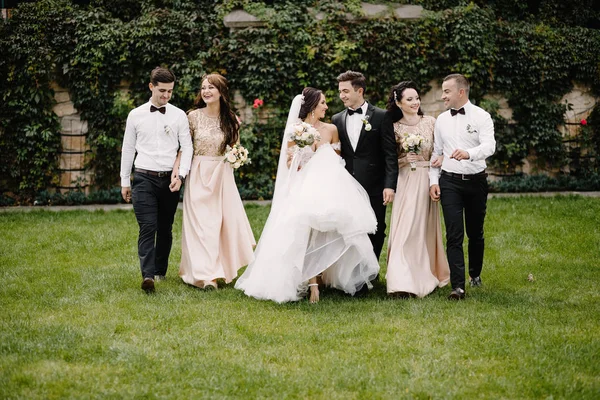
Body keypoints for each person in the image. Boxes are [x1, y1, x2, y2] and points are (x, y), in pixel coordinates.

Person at [235, 87, 380, 303]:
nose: (326, 106)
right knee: (305, 232)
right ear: (312, 106)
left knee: (331, 231)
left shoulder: (331, 129)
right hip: (304, 187)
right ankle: (312, 284)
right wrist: (304, 153)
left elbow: (338, 159)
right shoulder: (296, 130)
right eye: (322, 103)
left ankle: (327, 277)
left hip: (330, 187)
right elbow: (289, 163)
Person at [176, 73, 255, 290]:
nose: (206, 91)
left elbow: (236, 147)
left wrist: (236, 157)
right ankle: (204, 276)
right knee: (201, 226)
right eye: (203, 88)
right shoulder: (192, 117)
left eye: (211, 87)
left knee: (219, 225)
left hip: (222, 175)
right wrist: (177, 173)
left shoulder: (230, 119)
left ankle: (216, 270)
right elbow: (184, 148)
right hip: (198, 173)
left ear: (221, 92)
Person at [120, 67, 193, 293]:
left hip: (169, 181)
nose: (166, 96)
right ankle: (148, 276)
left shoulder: (179, 115)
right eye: (162, 91)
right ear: (151, 87)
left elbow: (187, 148)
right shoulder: (135, 115)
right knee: (147, 227)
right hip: (143, 177)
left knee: (165, 228)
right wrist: (125, 180)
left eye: (170, 91)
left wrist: (181, 176)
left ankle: (160, 271)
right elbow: (128, 148)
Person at [429, 74, 496, 300]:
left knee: (475, 232)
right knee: (454, 234)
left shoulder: (482, 116)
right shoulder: (441, 120)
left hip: (476, 181)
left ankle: (474, 274)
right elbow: (436, 153)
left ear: (461, 92)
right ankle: (458, 287)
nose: (442, 95)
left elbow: (490, 146)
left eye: (446, 91)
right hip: (450, 183)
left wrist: (469, 153)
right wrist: (433, 181)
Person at [385, 81, 450, 298]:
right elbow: (389, 158)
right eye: (409, 99)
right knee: (405, 229)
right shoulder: (394, 127)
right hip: (405, 181)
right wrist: (404, 158)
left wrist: (437, 168)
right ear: (398, 102)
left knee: (423, 229)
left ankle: (424, 275)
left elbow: (440, 150)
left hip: (427, 180)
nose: (415, 102)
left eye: (417, 98)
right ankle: (400, 281)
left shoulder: (431, 122)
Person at [332, 71, 398, 262]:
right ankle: (354, 273)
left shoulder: (381, 116)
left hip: (375, 184)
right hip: (348, 185)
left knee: (377, 228)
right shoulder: (337, 119)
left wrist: (389, 185)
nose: (341, 95)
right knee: (350, 229)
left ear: (359, 91)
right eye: (340, 91)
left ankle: (372, 270)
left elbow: (390, 154)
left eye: (345, 91)